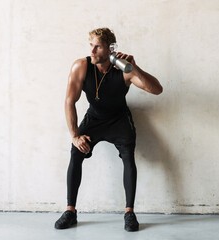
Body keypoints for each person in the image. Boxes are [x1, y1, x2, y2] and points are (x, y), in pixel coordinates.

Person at [54, 27, 163, 231]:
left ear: (110, 49)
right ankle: (70, 211)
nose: (92, 51)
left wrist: (135, 68)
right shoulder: (81, 66)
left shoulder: (124, 71)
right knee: (76, 152)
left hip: (119, 120)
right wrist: (75, 136)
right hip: (94, 118)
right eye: (91, 46)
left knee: (128, 156)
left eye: (98, 47)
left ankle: (129, 212)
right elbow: (69, 101)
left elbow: (156, 89)